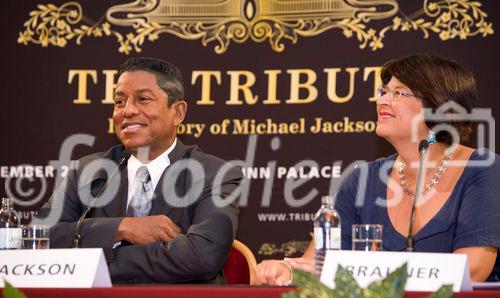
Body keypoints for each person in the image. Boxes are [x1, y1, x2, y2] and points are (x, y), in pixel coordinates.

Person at [255, 54, 500, 285]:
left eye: (398, 93)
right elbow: (319, 263)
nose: (381, 100)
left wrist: (369, 272)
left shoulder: (483, 170)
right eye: (383, 91)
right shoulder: (363, 179)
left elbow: (473, 270)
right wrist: (289, 270)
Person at [39, 57, 243, 284]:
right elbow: (39, 239)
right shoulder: (87, 171)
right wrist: (121, 228)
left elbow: (202, 256)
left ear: (178, 113)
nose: (127, 111)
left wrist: (95, 262)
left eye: (143, 99)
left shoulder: (216, 174)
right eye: (119, 101)